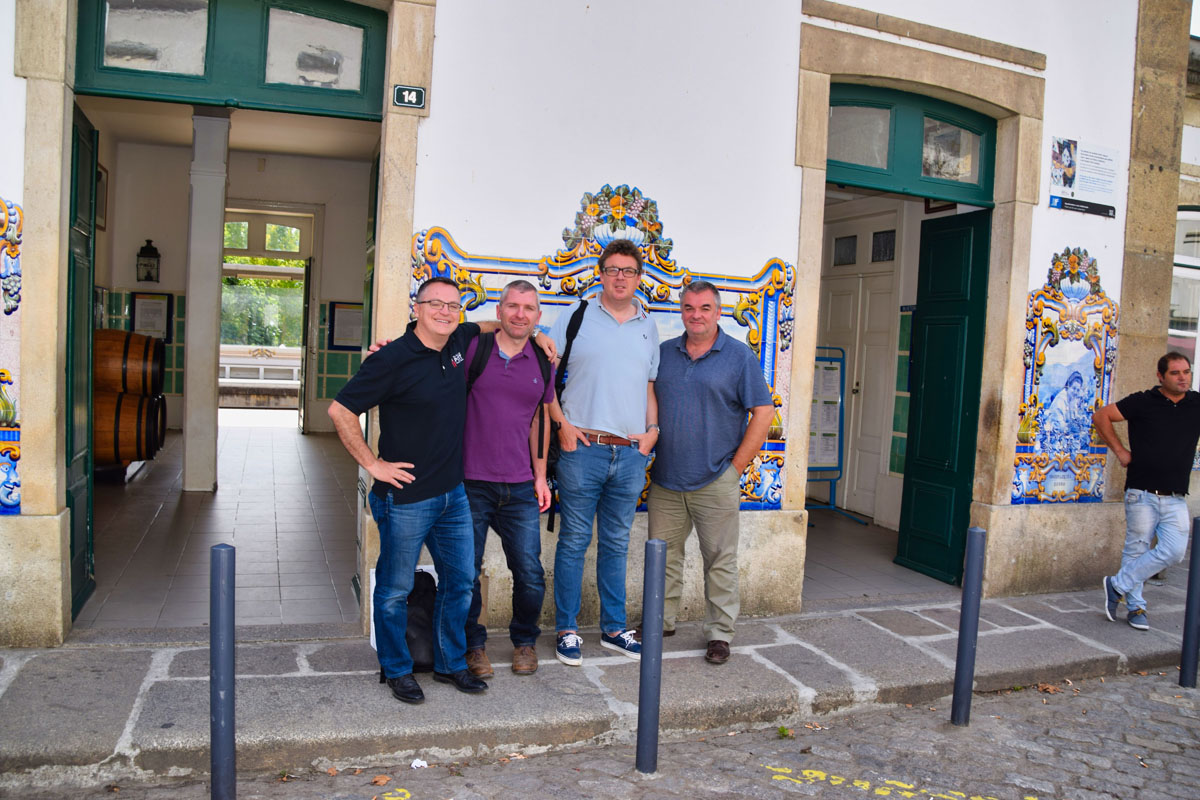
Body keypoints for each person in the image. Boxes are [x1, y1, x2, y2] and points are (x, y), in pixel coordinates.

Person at [327, 277, 487, 704]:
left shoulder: (458, 341)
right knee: (395, 589)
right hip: (405, 499)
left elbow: (487, 326)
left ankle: (451, 664)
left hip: (453, 494)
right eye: (435, 304)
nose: (445, 312)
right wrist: (372, 464)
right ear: (416, 307)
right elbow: (340, 410)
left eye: (453, 305)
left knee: (461, 582)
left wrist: (539, 337)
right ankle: (398, 669)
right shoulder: (391, 359)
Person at [645, 280, 773, 665]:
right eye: (688, 308)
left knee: (719, 561)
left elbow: (763, 412)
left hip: (716, 479)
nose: (695, 315)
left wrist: (734, 470)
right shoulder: (664, 353)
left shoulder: (738, 357)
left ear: (718, 312)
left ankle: (719, 634)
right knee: (662, 558)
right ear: (680, 312)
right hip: (666, 480)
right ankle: (660, 622)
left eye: (704, 308)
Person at [548, 238, 659, 666]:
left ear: (638, 277)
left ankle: (614, 629)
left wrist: (652, 433)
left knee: (616, 542)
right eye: (612, 269)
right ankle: (568, 630)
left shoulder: (648, 326)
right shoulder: (575, 317)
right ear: (601, 272)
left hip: (631, 454)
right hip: (582, 448)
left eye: (628, 271)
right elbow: (545, 377)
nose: (619, 277)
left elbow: (649, 387)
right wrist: (562, 426)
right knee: (574, 541)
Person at [461, 279, 555, 679]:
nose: (520, 314)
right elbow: (447, 331)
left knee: (530, 572)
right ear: (499, 311)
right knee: (466, 571)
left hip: (518, 485)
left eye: (528, 308)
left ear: (538, 316)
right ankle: (473, 646)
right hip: (469, 481)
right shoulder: (473, 349)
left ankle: (524, 642)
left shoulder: (543, 359)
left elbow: (540, 418)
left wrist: (540, 477)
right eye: (512, 306)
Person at [1093, 352, 1200, 632]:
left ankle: (1116, 585)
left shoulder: (1197, 404)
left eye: (1186, 372)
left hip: (1176, 496)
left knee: (1175, 552)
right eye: (1176, 373)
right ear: (1160, 376)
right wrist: (1120, 451)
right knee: (1137, 548)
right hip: (1141, 492)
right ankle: (1136, 606)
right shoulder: (1143, 401)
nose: (1182, 378)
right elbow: (1101, 416)